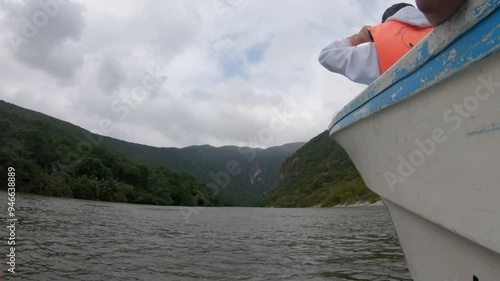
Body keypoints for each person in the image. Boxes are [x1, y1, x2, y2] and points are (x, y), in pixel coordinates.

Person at [318, 3, 433, 85]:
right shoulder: (443, 19)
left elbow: (326, 55)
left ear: (386, 24)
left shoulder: (377, 52)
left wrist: (356, 39)